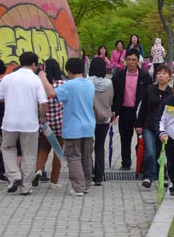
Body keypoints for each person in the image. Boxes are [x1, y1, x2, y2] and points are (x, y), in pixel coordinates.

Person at [39, 58, 95, 196]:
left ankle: (78, 187)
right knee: (86, 157)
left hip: (73, 127)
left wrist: (43, 78)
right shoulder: (89, 84)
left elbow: (52, 93)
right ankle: (86, 184)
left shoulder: (70, 85)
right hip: (88, 126)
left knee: (73, 156)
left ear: (69, 71)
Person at [0, 51, 48, 196]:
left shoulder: (8, 78)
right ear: (33, 64)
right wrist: (42, 116)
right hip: (30, 123)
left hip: (10, 122)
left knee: (7, 148)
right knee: (29, 154)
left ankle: (14, 176)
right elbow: (43, 102)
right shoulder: (35, 79)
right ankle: (26, 187)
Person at [111, 47, 152, 170]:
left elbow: (150, 94)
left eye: (134, 59)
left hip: (140, 112)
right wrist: (113, 111)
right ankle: (126, 163)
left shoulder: (145, 76)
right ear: (125, 61)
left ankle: (142, 164)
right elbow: (114, 94)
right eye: (129, 59)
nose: (131, 62)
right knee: (125, 138)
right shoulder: (118, 75)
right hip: (124, 111)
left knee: (142, 139)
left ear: (138, 61)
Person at [137, 64, 172, 188]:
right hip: (149, 126)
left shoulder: (172, 92)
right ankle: (148, 176)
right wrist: (139, 124)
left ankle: (163, 175)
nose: (161, 76)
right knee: (150, 152)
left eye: (164, 73)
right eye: (159, 73)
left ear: (169, 77)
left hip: (165, 128)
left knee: (162, 153)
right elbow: (143, 108)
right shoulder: (149, 89)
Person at [34, 58, 66, 188]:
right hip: (60, 124)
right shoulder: (63, 84)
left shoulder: (41, 85)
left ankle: (38, 170)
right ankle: (54, 181)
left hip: (45, 123)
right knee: (58, 151)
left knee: (44, 149)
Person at [87, 57, 114, 186]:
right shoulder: (109, 83)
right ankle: (99, 176)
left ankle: (89, 173)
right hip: (104, 119)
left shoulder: (86, 83)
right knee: (100, 147)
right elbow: (110, 101)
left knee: (88, 147)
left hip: (89, 118)